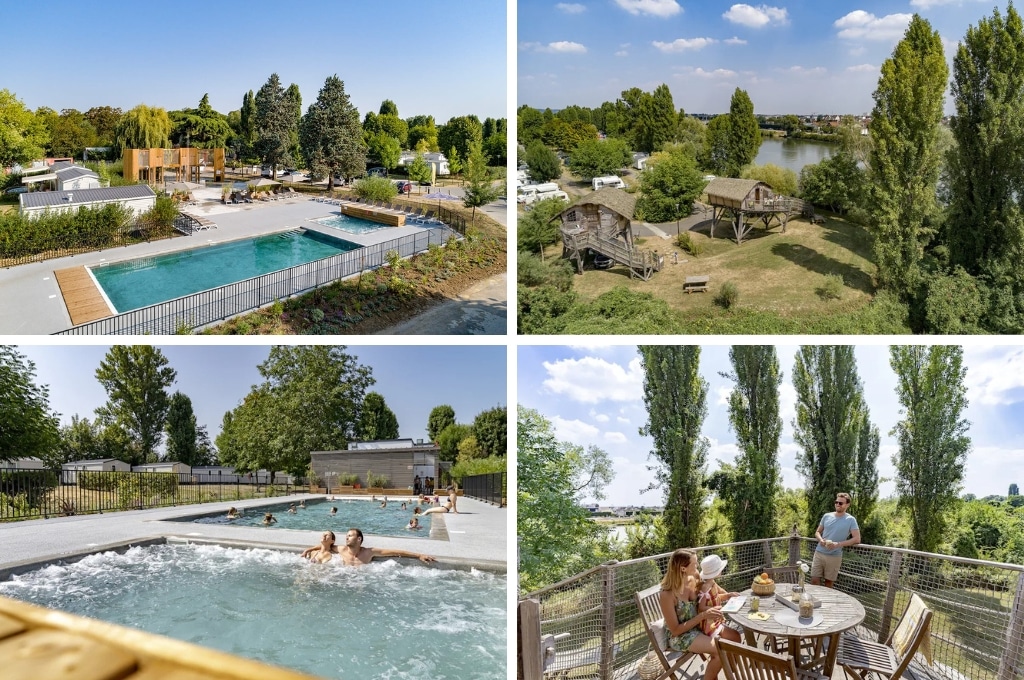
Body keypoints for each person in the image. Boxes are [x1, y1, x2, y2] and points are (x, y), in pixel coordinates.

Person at [658, 549, 738, 680]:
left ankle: (731, 674)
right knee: (719, 651)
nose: (697, 566)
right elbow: (675, 630)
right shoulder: (667, 594)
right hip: (683, 635)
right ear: (683, 568)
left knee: (734, 637)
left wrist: (727, 596)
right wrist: (703, 616)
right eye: (694, 564)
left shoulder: (695, 576)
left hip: (702, 625)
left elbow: (711, 594)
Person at [812, 492, 861, 588]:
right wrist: (821, 540)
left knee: (828, 584)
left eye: (841, 503)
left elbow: (857, 539)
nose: (838, 504)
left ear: (847, 505)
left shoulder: (851, 520)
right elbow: (817, 532)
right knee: (814, 581)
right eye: (836, 502)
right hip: (819, 553)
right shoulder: (826, 516)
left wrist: (838, 544)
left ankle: (826, 603)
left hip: (834, 556)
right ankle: (815, 602)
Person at [311, 528, 434, 566]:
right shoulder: (341, 549)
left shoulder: (369, 552)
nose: (346, 538)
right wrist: (308, 550)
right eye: (346, 536)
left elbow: (395, 552)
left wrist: (419, 555)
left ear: (359, 539)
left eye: (350, 536)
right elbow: (325, 545)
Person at [695, 555, 742, 639]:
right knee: (736, 636)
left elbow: (718, 594)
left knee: (734, 636)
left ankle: (729, 651)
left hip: (717, 618)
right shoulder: (705, 587)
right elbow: (701, 607)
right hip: (710, 623)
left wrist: (729, 595)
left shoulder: (712, 582)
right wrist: (715, 608)